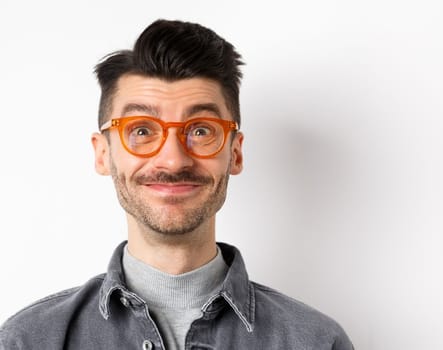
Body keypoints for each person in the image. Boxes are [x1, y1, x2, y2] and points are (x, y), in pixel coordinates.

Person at [0, 19, 354, 350]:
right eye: (141, 130)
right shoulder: (29, 341)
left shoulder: (317, 342)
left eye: (201, 130)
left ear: (235, 153)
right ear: (103, 154)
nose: (173, 160)